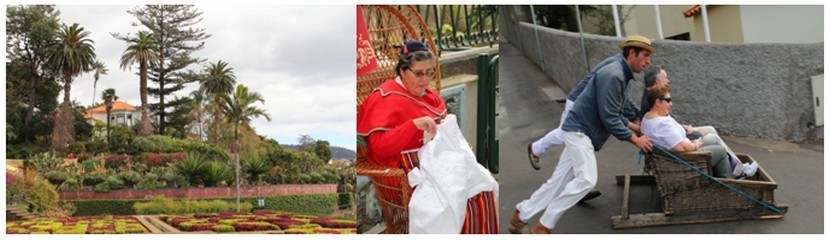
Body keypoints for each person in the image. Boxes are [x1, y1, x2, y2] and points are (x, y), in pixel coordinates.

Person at [510, 35, 655, 234]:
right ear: (632, 53)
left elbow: (620, 102)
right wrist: (635, 139)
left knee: (557, 182)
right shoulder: (615, 74)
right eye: (645, 56)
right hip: (579, 131)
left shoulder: (620, 71)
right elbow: (610, 117)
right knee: (586, 180)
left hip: (579, 129)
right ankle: (544, 226)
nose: (648, 61)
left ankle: (520, 216)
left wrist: (637, 120)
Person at [357, 40, 498, 233]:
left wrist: (460, 145)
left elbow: (447, 130)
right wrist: (413, 125)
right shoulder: (384, 97)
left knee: (483, 188)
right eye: (418, 73)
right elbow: (379, 148)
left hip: (437, 162)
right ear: (402, 71)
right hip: (404, 171)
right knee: (452, 203)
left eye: (429, 72)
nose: (425, 79)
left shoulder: (428, 94)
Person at [640, 84, 758, 179]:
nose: (671, 104)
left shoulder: (648, 117)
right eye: (668, 100)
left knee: (711, 133)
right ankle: (733, 179)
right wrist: (696, 144)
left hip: (678, 153)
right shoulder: (662, 124)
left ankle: (738, 168)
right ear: (657, 102)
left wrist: (687, 132)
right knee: (720, 150)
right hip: (684, 160)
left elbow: (670, 138)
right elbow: (681, 147)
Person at [637, 65, 717, 140]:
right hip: (678, 141)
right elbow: (668, 130)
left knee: (711, 130)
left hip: (674, 135)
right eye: (665, 78)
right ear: (657, 82)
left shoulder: (649, 97)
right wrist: (695, 133)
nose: (668, 81)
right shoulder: (654, 102)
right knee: (712, 136)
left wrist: (683, 127)